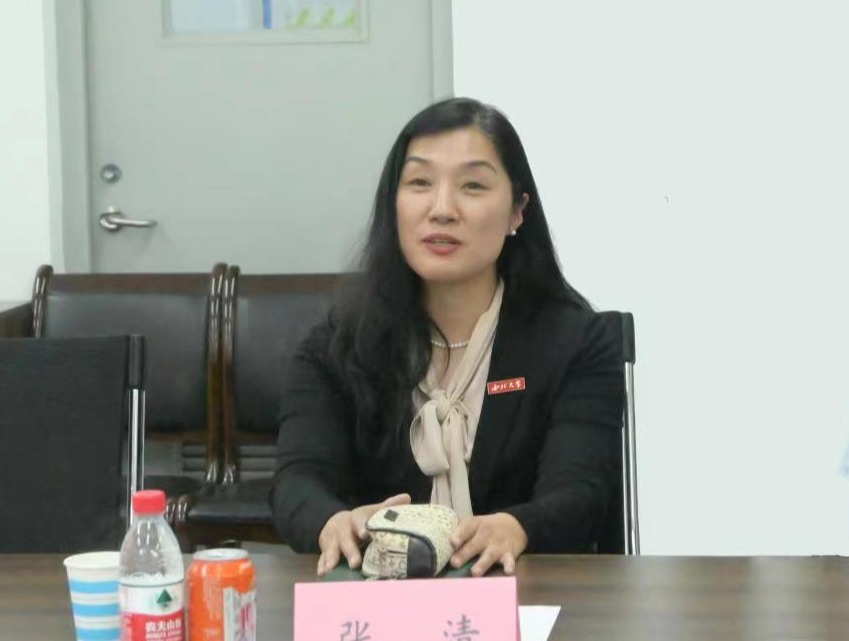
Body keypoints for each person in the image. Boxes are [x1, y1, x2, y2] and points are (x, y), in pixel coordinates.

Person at [271, 97, 624, 577]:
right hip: (378, 599)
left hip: (529, 592)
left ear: (518, 210)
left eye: (472, 186)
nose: (441, 209)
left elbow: (583, 493)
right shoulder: (335, 348)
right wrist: (332, 522)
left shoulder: (578, 343)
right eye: (420, 183)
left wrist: (518, 527)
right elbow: (297, 482)